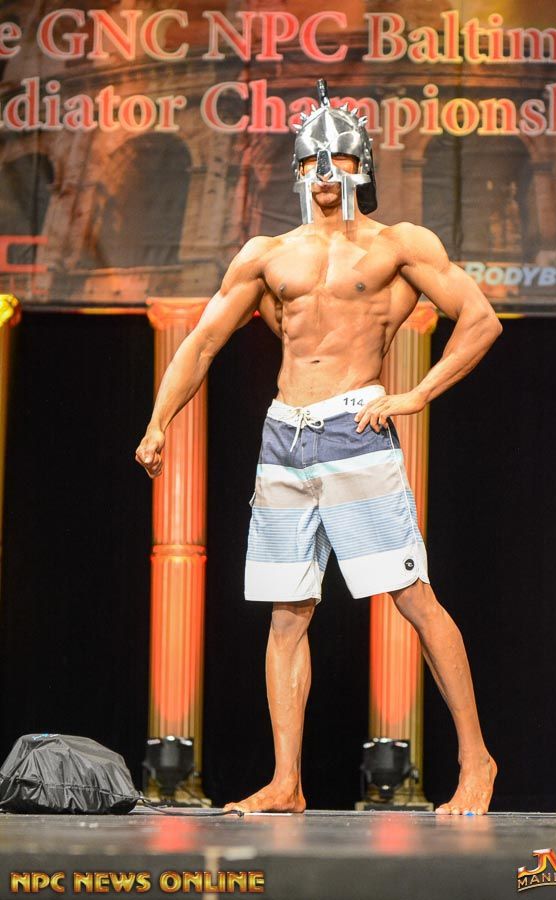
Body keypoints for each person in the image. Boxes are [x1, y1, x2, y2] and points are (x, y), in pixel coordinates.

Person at [135, 79, 501, 816]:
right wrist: (158, 420)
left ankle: (477, 760)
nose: (325, 173)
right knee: (287, 614)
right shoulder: (268, 254)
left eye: (338, 159)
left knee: (413, 598)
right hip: (284, 439)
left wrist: (416, 394)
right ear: (298, 170)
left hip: (354, 432)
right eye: (312, 161)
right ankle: (287, 782)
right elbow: (202, 341)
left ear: (361, 164)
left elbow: (480, 319)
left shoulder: (400, 245)